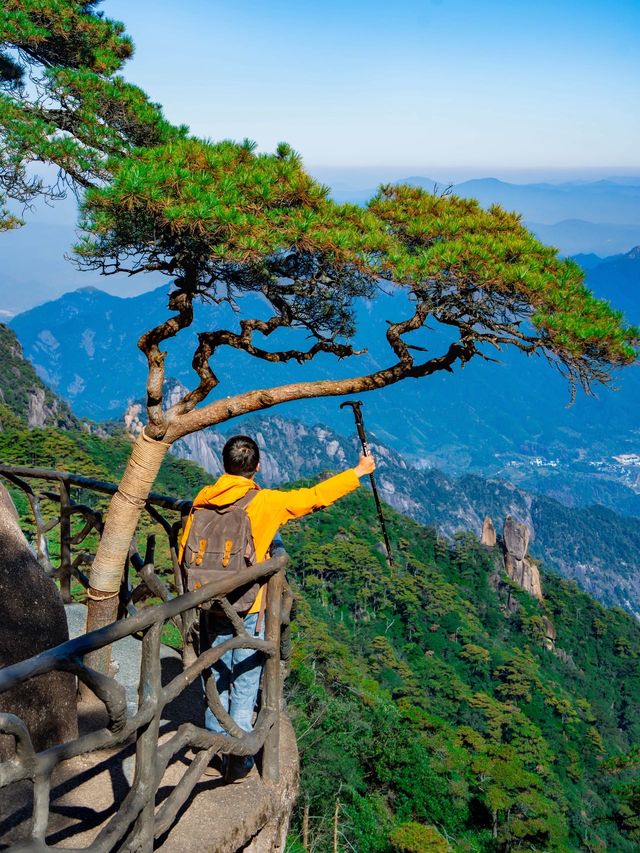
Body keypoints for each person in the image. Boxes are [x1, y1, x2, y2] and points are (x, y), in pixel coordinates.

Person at [185, 434, 375, 777]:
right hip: (249, 606)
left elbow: (187, 547)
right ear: (257, 467)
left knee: (214, 673)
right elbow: (315, 498)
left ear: (223, 465)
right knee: (243, 680)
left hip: (207, 600)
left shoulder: (202, 499)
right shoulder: (265, 502)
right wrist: (358, 472)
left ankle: (211, 748)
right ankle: (239, 757)